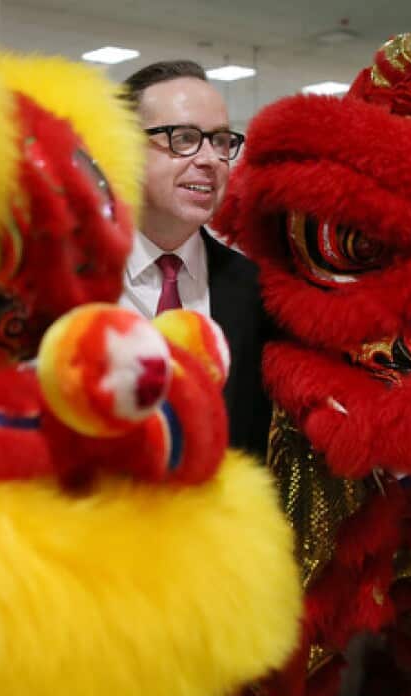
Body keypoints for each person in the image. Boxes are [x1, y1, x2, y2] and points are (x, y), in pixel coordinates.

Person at [119, 60, 271, 457]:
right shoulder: (68, 279)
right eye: (183, 138)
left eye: (220, 141)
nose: (209, 159)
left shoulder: (258, 294)